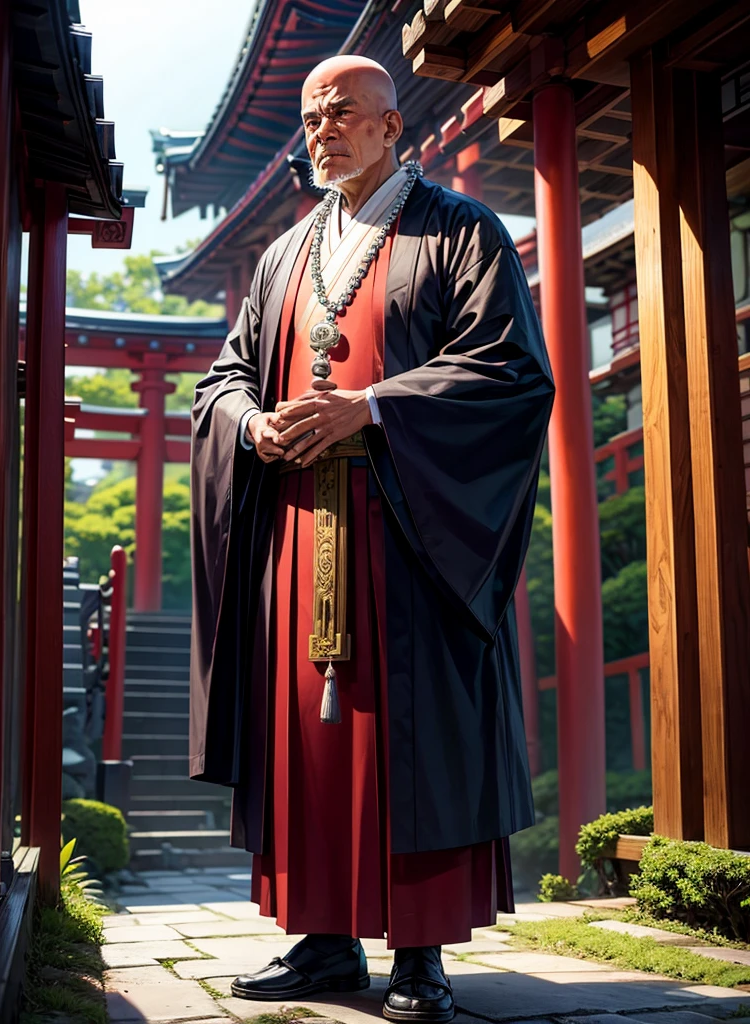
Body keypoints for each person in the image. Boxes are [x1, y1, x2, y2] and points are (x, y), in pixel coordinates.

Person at [189, 54, 554, 1023]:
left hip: (411, 535)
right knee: (310, 746)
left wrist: (375, 409)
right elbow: (221, 379)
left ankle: (420, 954)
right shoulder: (282, 259)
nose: (323, 133)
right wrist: (250, 424)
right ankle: (320, 939)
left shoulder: (461, 233)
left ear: (394, 128)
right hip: (300, 532)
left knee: (410, 739)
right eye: (311, 121)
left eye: (344, 115)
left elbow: (515, 374)